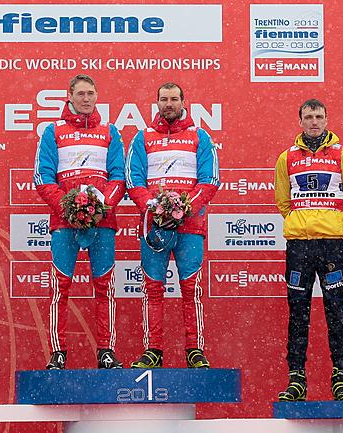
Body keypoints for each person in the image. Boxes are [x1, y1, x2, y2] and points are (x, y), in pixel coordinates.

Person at [274, 99, 343, 401]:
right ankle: (296, 379)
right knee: (297, 313)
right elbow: (283, 201)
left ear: (327, 120)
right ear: (300, 121)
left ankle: (340, 376)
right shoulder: (286, 158)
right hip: (299, 245)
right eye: (309, 116)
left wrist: (335, 224)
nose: (314, 121)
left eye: (319, 116)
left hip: (331, 245)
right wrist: (302, 223)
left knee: (336, 312)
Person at [34, 74, 126, 370]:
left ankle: (106, 350)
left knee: (105, 287)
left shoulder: (110, 131)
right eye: (80, 94)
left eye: (90, 93)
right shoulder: (53, 131)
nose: (86, 99)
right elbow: (43, 177)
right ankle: (57, 352)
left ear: (97, 96)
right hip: (65, 222)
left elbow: (119, 176)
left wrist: (100, 207)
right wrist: (68, 208)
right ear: (70, 96)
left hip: (102, 222)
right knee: (60, 288)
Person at [125, 82, 220, 369]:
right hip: (155, 226)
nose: (169, 104)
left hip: (190, 226)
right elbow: (133, 180)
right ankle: (153, 349)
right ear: (156, 103)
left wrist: (185, 208)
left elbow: (210, 180)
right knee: (153, 290)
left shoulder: (200, 136)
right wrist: (155, 208)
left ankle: (195, 349)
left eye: (174, 99)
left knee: (191, 290)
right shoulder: (142, 137)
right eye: (164, 99)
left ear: (183, 102)